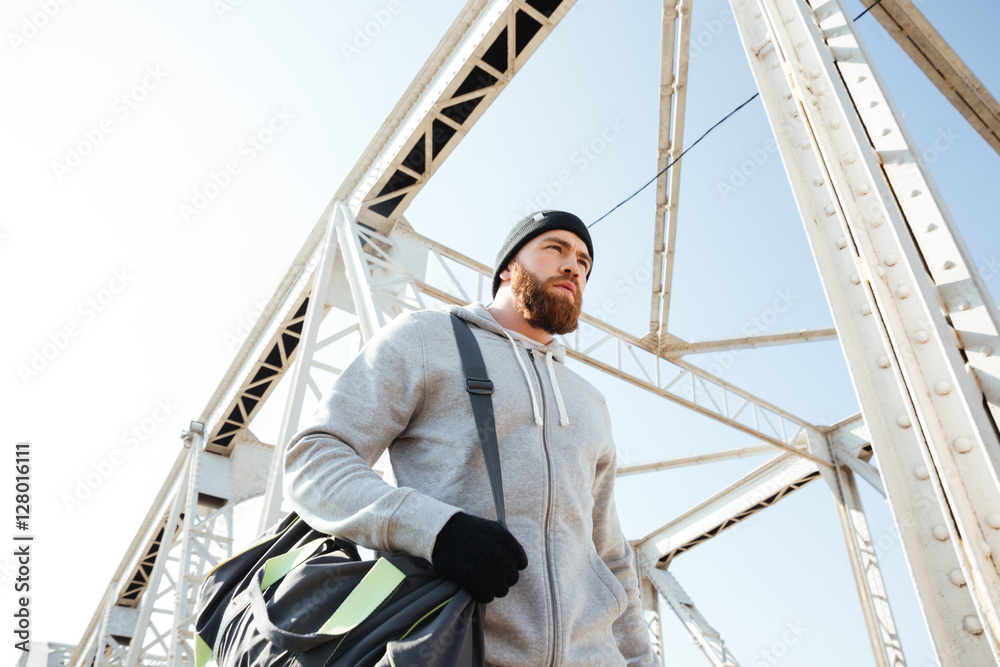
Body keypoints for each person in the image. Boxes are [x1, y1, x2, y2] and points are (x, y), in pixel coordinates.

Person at [283, 210, 656, 666]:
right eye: (555, 248)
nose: (573, 266)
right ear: (507, 269)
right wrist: (438, 531)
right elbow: (314, 460)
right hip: (452, 649)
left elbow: (611, 557)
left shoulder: (590, 402)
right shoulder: (424, 338)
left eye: (584, 261)